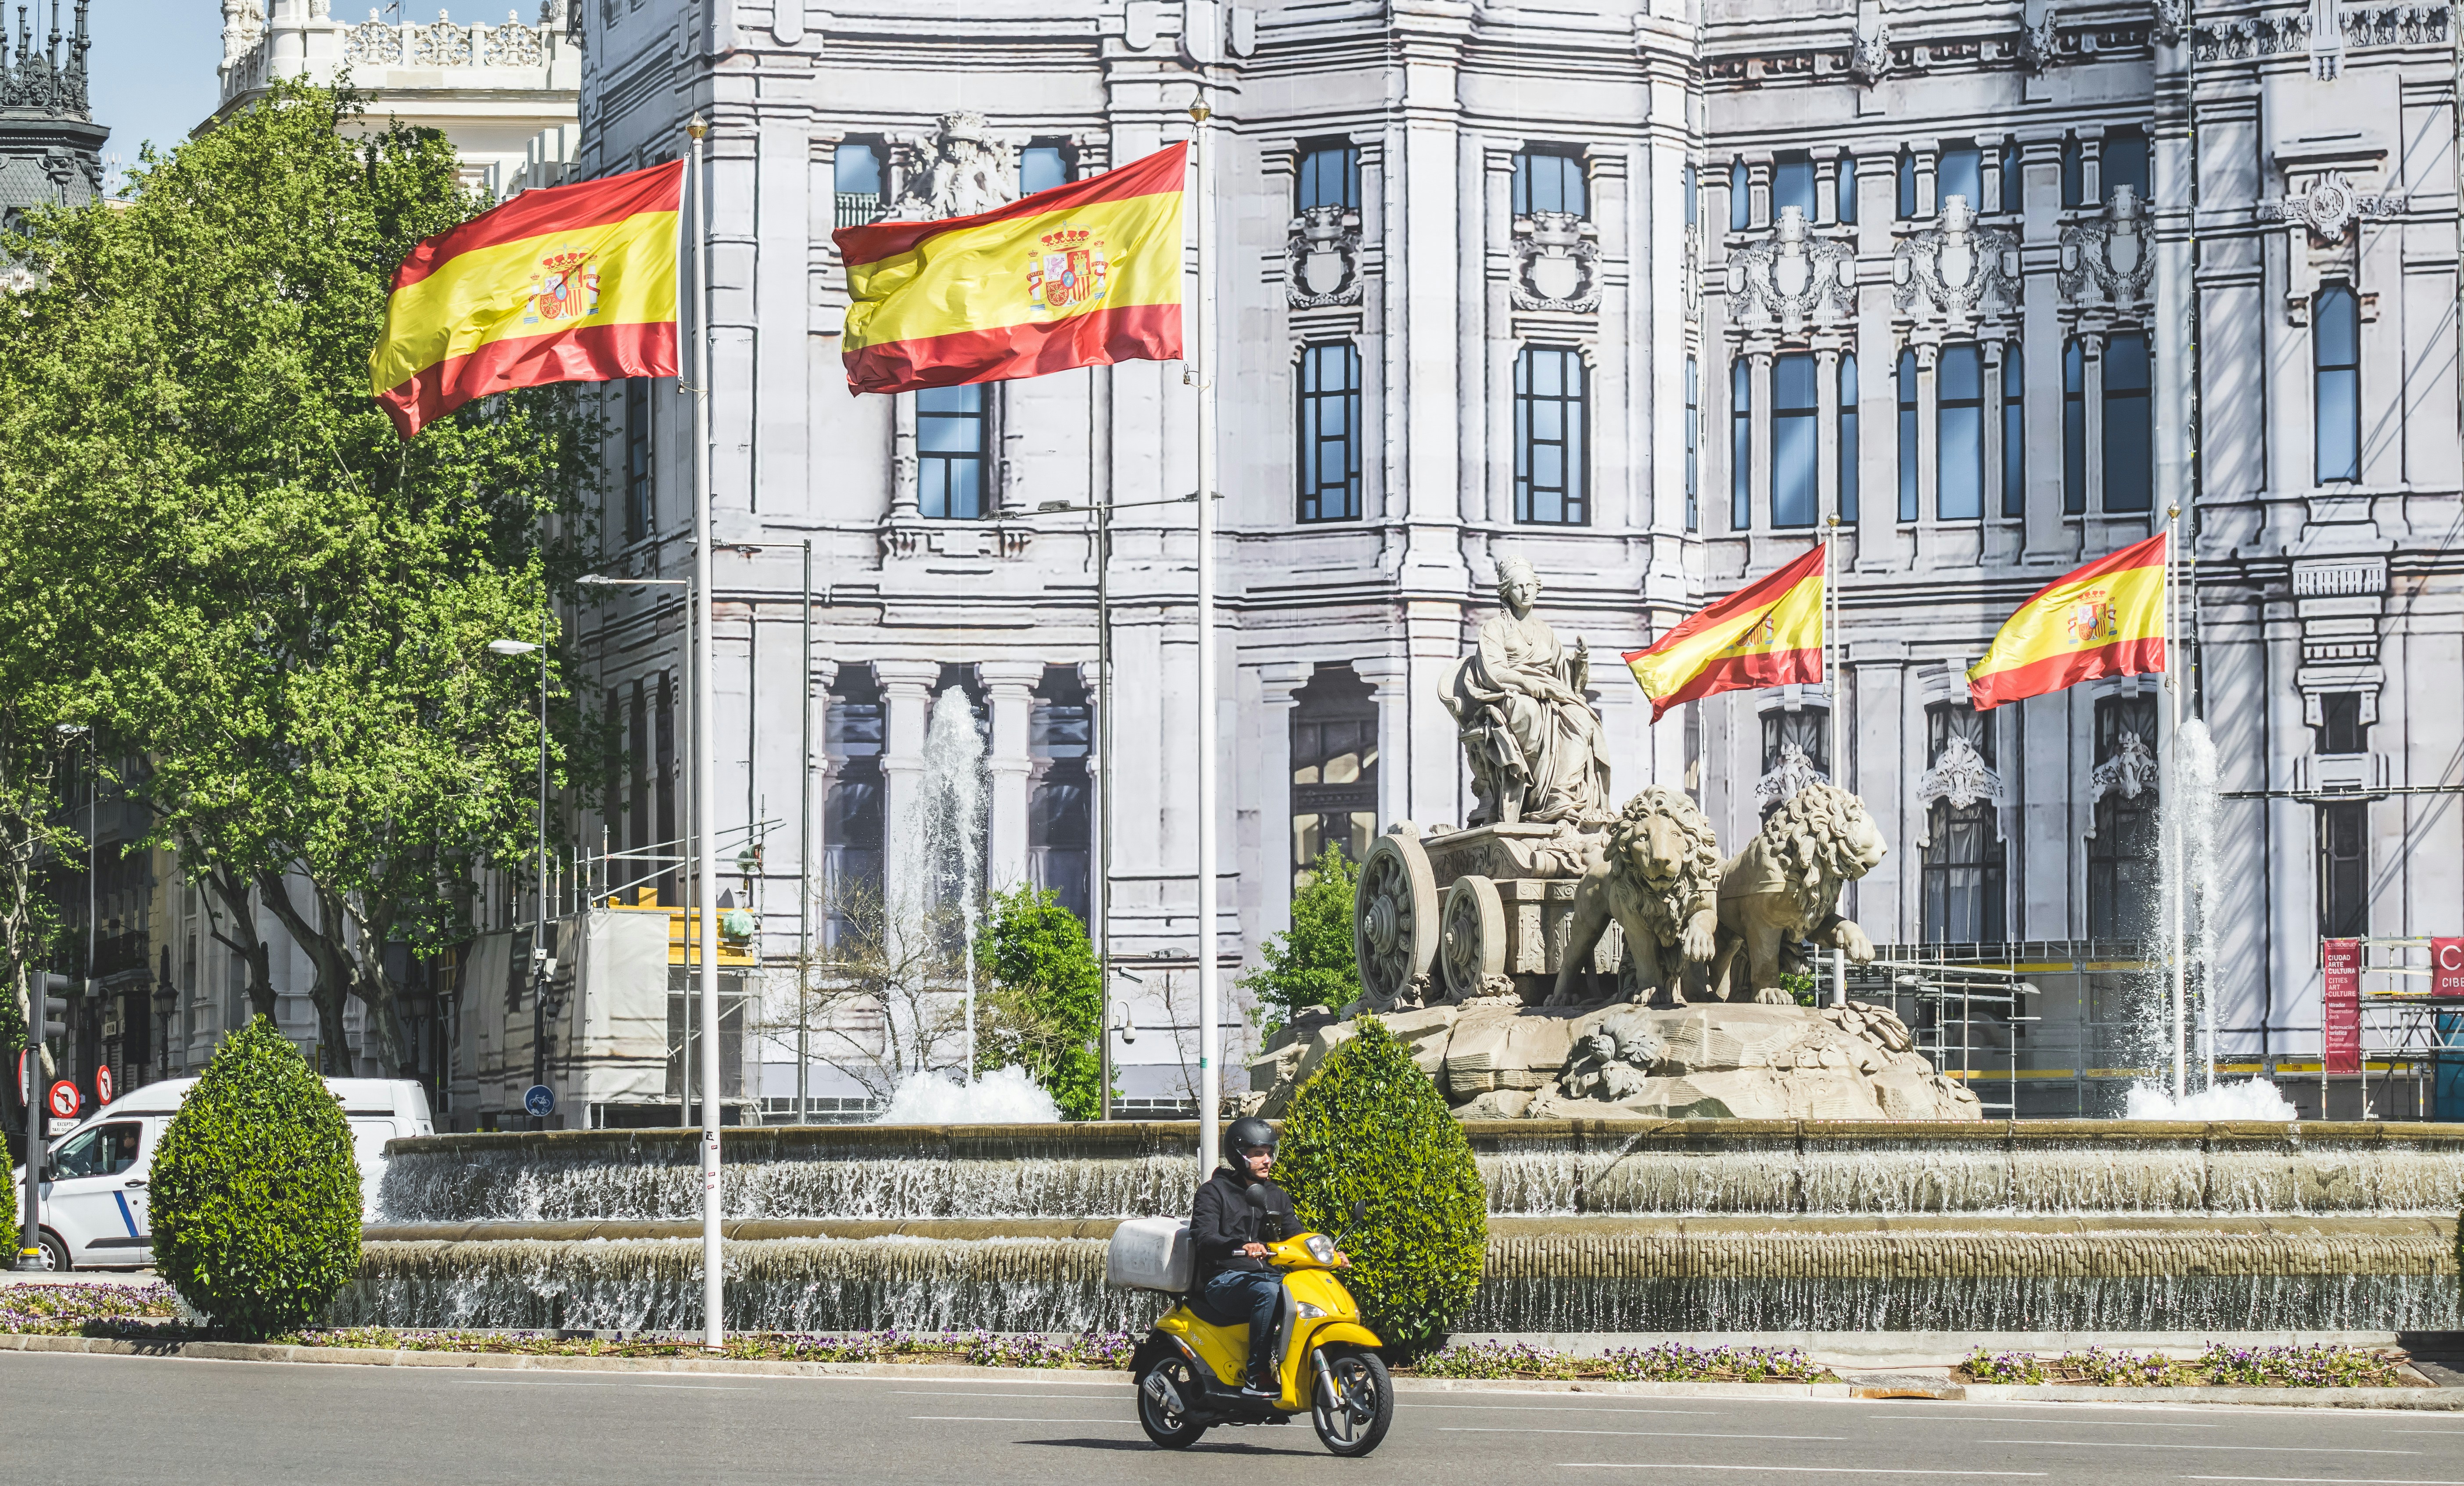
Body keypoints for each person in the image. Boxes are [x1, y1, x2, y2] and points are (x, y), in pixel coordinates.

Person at [1188, 1116, 1298, 1398]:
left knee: (1299, 1291)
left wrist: (1325, 1251)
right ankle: (1256, 1375)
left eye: (1270, 1152)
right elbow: (1205, 1238)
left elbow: (1297, 1235)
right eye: (1258, 1154)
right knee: (1271, 1292)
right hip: (1223, 1280)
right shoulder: (1214, 1192)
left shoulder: (1277, 1196)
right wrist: (1240, 1245)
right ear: (1239, 1156)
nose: (1267, 1160)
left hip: (1266, 1276)